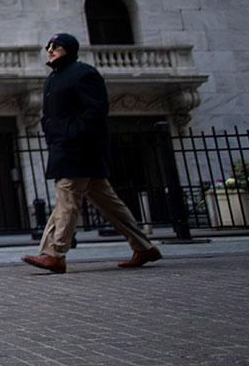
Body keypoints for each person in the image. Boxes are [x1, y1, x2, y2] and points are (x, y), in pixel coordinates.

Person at [22, 33, 162, 274]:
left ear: (69, 49)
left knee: (66, 199)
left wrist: (71, 133)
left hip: (80, 150)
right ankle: (144, 247)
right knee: (109, 204)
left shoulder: (83, 73)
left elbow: (96, 109)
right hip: (64, 148)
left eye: (56, 46)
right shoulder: (52, 79)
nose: (50, 49)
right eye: (49, 46)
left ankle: (53, 254)